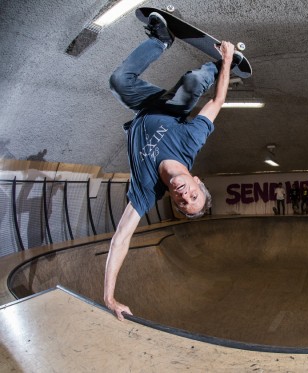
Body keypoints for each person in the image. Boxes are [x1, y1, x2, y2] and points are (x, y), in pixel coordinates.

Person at [104, 13, 237, 321]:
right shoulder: (191, 142)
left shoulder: (146, 192)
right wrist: (227, 63)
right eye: (193, 195)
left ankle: (160, 39)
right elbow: (216, 103)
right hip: (170, 107)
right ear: (197, 180)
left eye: (181, 202)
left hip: (143, 107)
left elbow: (121, 239)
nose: (183, 195)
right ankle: (215, 66)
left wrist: (109, 297)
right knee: (192, 83)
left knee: (118, 82)